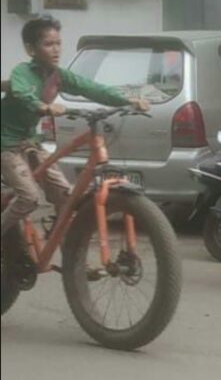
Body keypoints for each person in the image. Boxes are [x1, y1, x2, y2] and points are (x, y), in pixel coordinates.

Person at [1, 16, 149, 236]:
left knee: (66, 198)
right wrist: (43, 106)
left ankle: (70, 258)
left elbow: (92, 88)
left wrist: (127, 100)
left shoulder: (59, 76)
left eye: (58, 43)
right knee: (29, 198)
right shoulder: (22, 72)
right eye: (48, 44)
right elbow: (23, 94)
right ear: (31, 49)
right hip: (7, 144)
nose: (56, 50)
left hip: (31, 142)